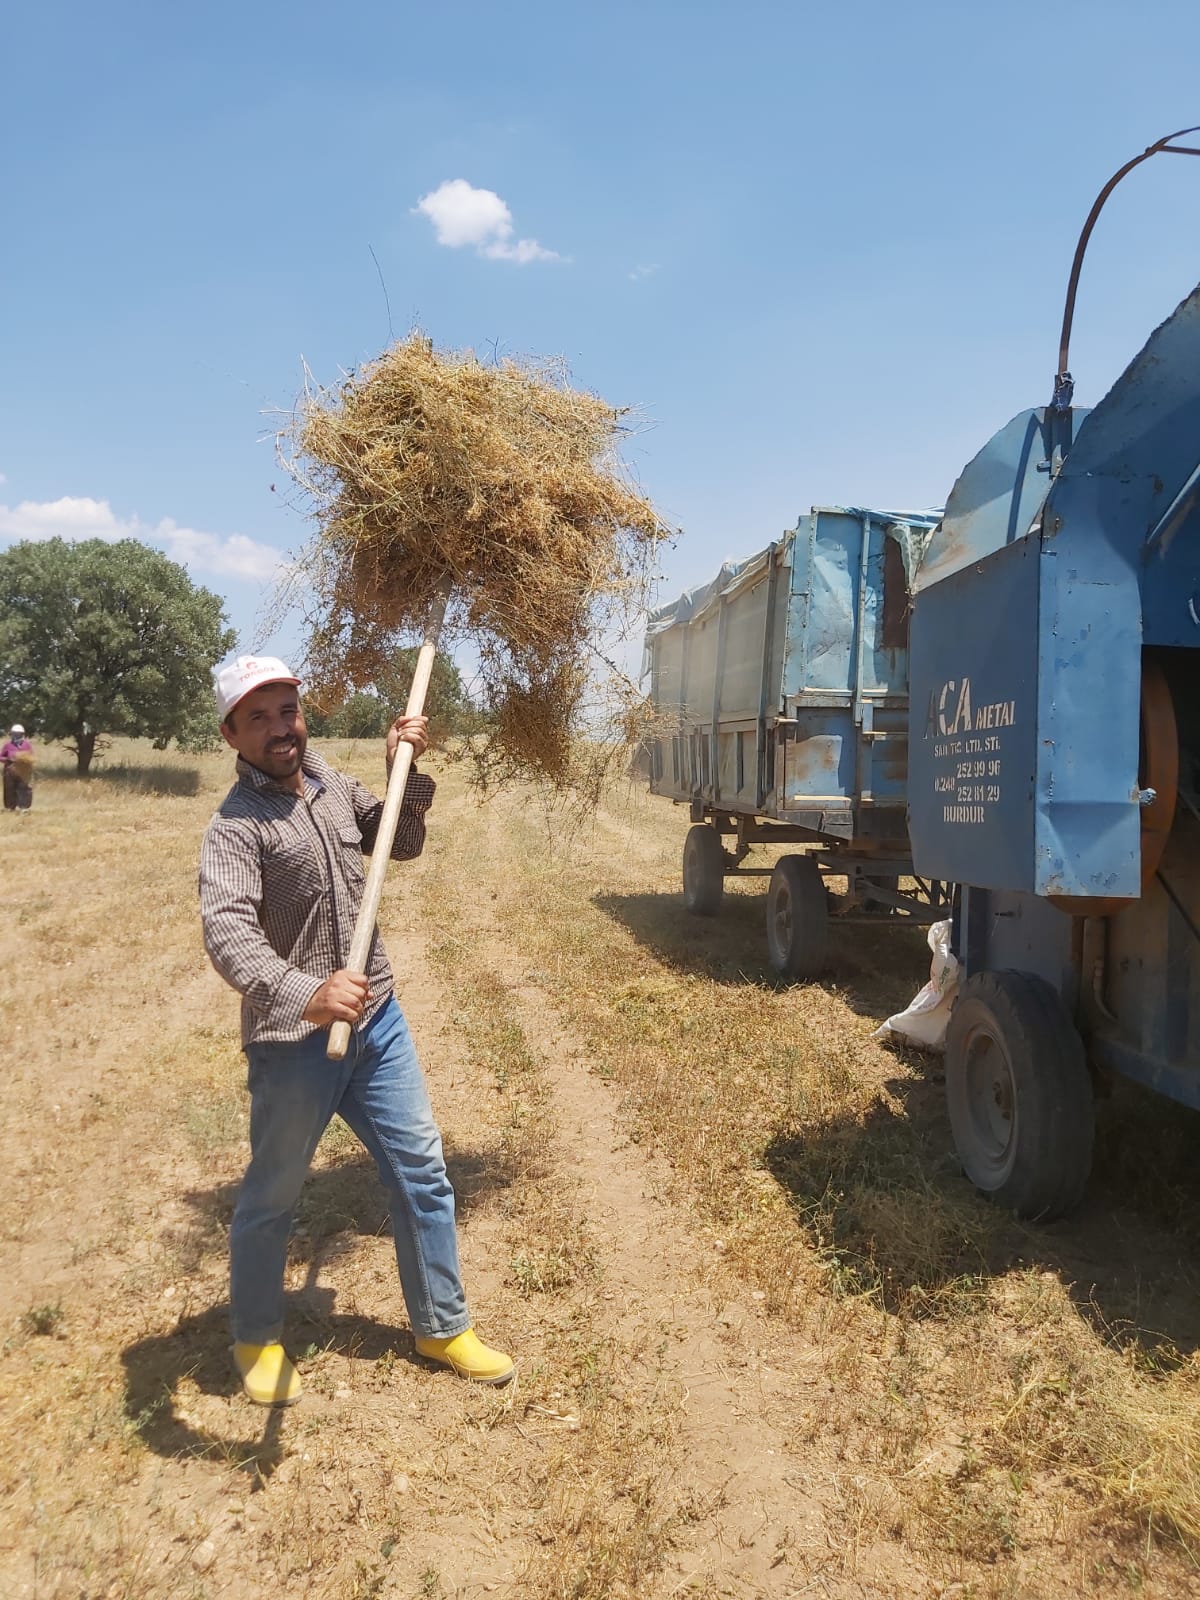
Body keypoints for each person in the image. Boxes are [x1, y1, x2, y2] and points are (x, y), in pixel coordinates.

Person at [199, 654, 513, 1406]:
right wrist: (307, 993)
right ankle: (256, 1337)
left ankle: (441, 1326)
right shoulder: (235, 830)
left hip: (377, 1025)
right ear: (232, 734)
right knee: (273, 1196)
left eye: (288, 710)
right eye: (261, 717)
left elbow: (396, 844)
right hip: (292, 1043)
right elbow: (229, 935)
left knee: (422, 1173)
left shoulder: (332, 783)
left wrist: (401, 769)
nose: (281, 728)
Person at [1, 724, 34, 811]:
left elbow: (31, 756)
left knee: (24, 788)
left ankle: (24, 807)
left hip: (23, 771)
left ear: (22, 734)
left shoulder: (27, 745)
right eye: (14, 734)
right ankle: (10, 807)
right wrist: (8, 759)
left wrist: (23, 760)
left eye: (18, 734)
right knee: (9, 789)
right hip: (9, 771)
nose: (16, 735)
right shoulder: (7, 745)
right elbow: (0, 757)